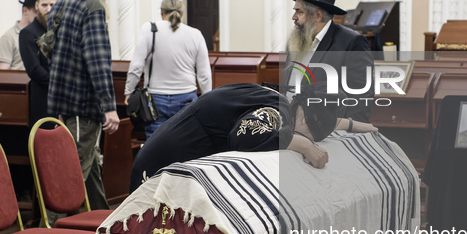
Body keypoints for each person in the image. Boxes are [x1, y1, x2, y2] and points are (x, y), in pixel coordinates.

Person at [129, 82, 377, 192]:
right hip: (158, 167)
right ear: (301, 121)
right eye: (312, 135)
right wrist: (303, 145)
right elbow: (245, 135)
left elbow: (321, 121)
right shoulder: (278, 112)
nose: (312, 139)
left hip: (166, 154)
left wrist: (352, 124)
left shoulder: (289, 105)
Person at [47, 0, 121, 210]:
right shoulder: (93, 7)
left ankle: (101, 225)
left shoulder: (61, 3)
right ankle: (55, 231)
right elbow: (97, 59)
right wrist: (109, 106)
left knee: (88, 170)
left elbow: (48, 51)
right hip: (83, 106)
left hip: (62, 102)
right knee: (73, 173)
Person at [282, 0, 374, 122]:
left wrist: (345, 136)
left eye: (299, 12)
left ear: (317, 15)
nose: (294, 17)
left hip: (329, 136)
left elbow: (359, 102)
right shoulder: (295, 41)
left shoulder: (351, 43)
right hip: (291, 131)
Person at [124, 0, 212, 139]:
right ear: (182, 13)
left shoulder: (149, 30)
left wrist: (128, 91)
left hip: (155, 99)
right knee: (186, 142)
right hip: (187, 97)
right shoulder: (195, 34)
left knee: (156, 146)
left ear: (161, 11)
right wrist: (207, 98)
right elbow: (204, 74)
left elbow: (136, 66)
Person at [19, 0, 58, 126]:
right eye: (44, 5)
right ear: (37, 6)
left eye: (52, 5)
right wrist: (60, 84)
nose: (48, 9)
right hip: (42, 100)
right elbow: (34, 70)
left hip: (62, 101)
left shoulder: (60, 31)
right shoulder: (27, 33)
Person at [0, 0, 37, 70]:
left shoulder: (42, 35)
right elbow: (2, 73)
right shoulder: (8, 37)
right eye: (36, 12)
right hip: (18, 81)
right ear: (25, 10)